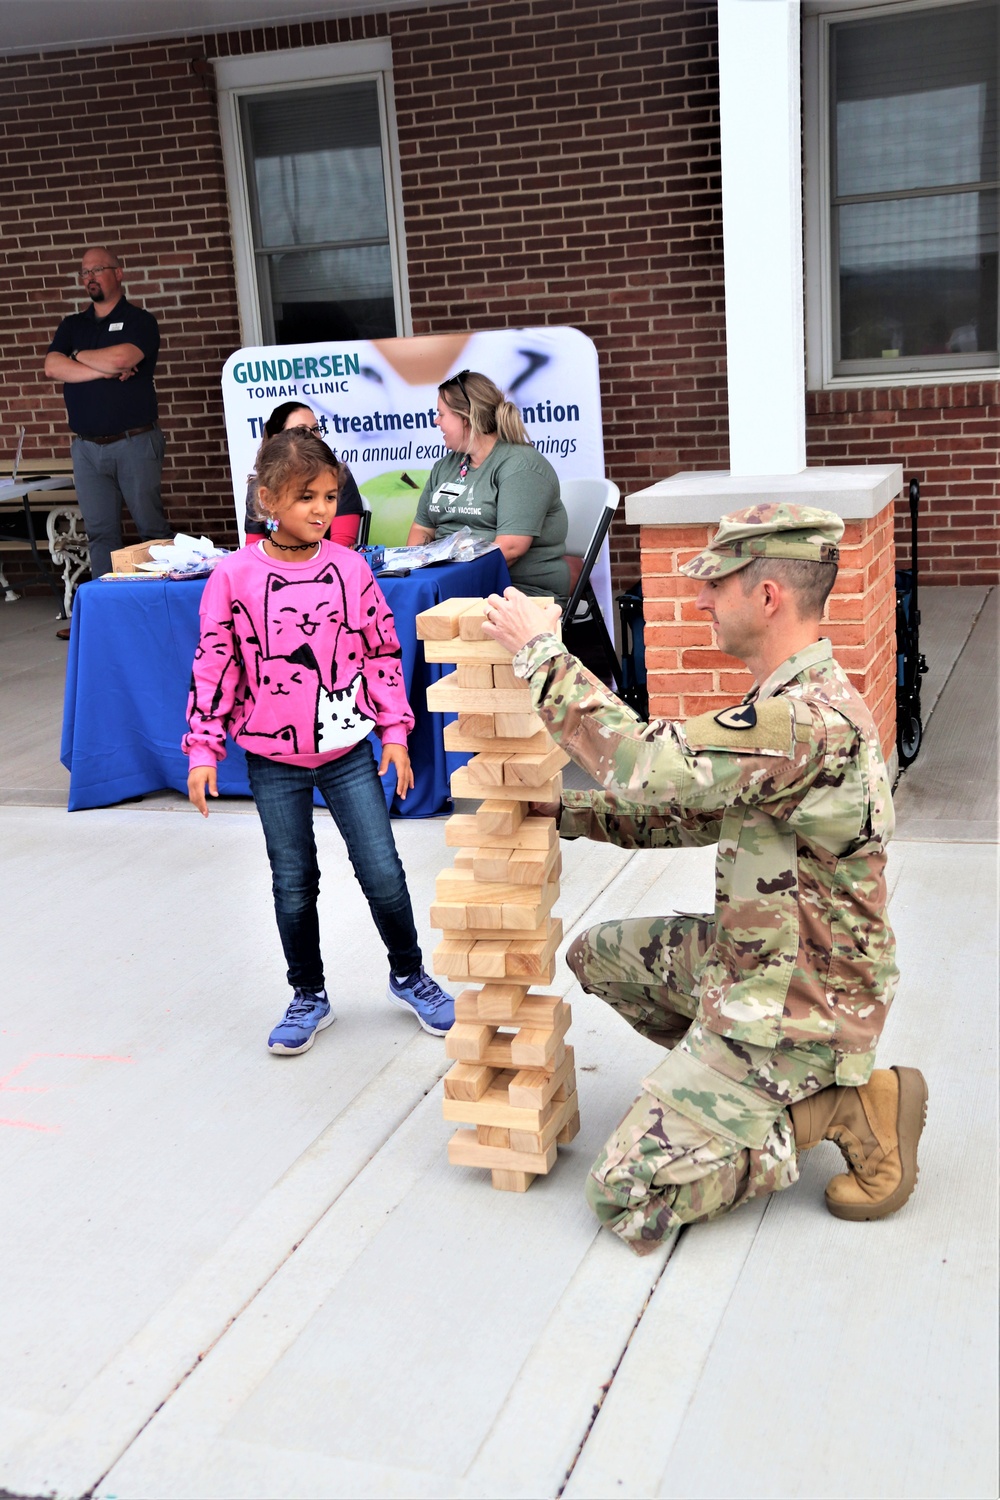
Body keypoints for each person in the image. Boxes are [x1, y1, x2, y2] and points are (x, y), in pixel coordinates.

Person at [481, 504, 927, 1256]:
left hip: (799, 1009)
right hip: (755, 970)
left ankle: (827, 1108)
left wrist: (541, 656)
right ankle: (735, 1094)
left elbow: (648, 766)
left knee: (623, 1193)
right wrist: (568, 812)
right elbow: (689, 809)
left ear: (767, 596)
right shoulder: (784, 706)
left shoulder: (805, 723)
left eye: (714, 584)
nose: (698, 601)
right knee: (600, 957)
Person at [184, 427, 454, 1053]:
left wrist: (393, 733)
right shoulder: (233, 575)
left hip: (349, 754)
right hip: (272, 760)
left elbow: (382, 651)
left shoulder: (351, 568)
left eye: (330, 496)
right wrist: (203, 748)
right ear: (267, 501)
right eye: (306, 496)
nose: (321, 510)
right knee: (292, 881)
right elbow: (215, 661)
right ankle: (308, 993)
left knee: (383, 871)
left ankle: (411, 975)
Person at [44, 247, 168, 595]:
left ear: (119, 272)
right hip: (87, 448)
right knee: (100, 534)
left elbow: (124, 357)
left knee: (152, 529)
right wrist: (105, 368)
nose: (89, 277)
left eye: (97, 269)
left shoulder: (140, 321)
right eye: (84, 272)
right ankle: (107, 609)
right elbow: (52, 366)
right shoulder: (72, 325)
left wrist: (78, 357)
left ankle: (164, 600)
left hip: (135, 442)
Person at [406, 370, 569, 600]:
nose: (436, 421)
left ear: (466, 417)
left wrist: (449, 580)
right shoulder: (444, 466)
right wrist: (417, 573)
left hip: (515, 593)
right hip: (451, 588)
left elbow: (511, 548)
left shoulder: (521, 466)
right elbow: (422, 529)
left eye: (441, 414)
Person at [244, 402, 363, 548]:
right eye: (301, 431)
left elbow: (342, 548)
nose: (311, 436)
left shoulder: (336, 475)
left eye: (315, 429)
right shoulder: (258, 485)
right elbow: (252, 549)